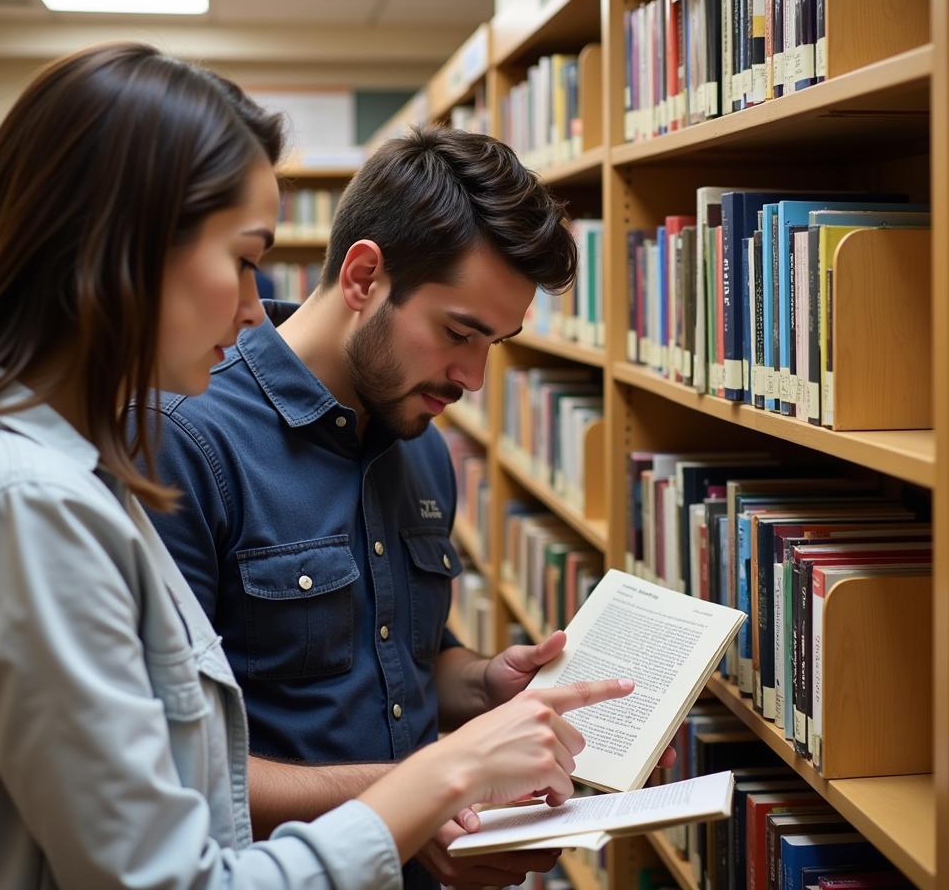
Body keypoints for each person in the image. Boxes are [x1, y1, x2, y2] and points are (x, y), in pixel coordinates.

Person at [0, 42, 638, 889]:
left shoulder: (414, 446)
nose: (250, 304)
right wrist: (434, 785)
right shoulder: (61, 488)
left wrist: (478, 688)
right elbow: (177, 840)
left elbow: (342, 677)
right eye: (244, 257)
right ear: (132, 250)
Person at [143, 123, 677, 888]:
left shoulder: (419, 437)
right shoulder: (188, 443)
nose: (474, 377)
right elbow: (174, 773)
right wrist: (423, 796)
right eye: (460, 332)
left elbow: (411, 655)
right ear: (363, 277)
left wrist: (486, 681)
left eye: (497, 341)